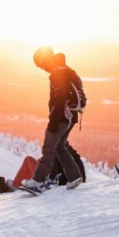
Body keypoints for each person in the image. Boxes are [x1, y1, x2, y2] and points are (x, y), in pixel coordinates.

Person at [21, 46, 85, 193]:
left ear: (44, 60)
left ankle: (37, 182)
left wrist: (53, 122)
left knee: (49, 148)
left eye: (40, 64)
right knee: (60, 147)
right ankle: (74, 177)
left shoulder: (57, 73)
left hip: (61, 117)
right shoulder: (66, 69)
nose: (41, 68)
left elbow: (60, 99)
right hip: (72, 115)